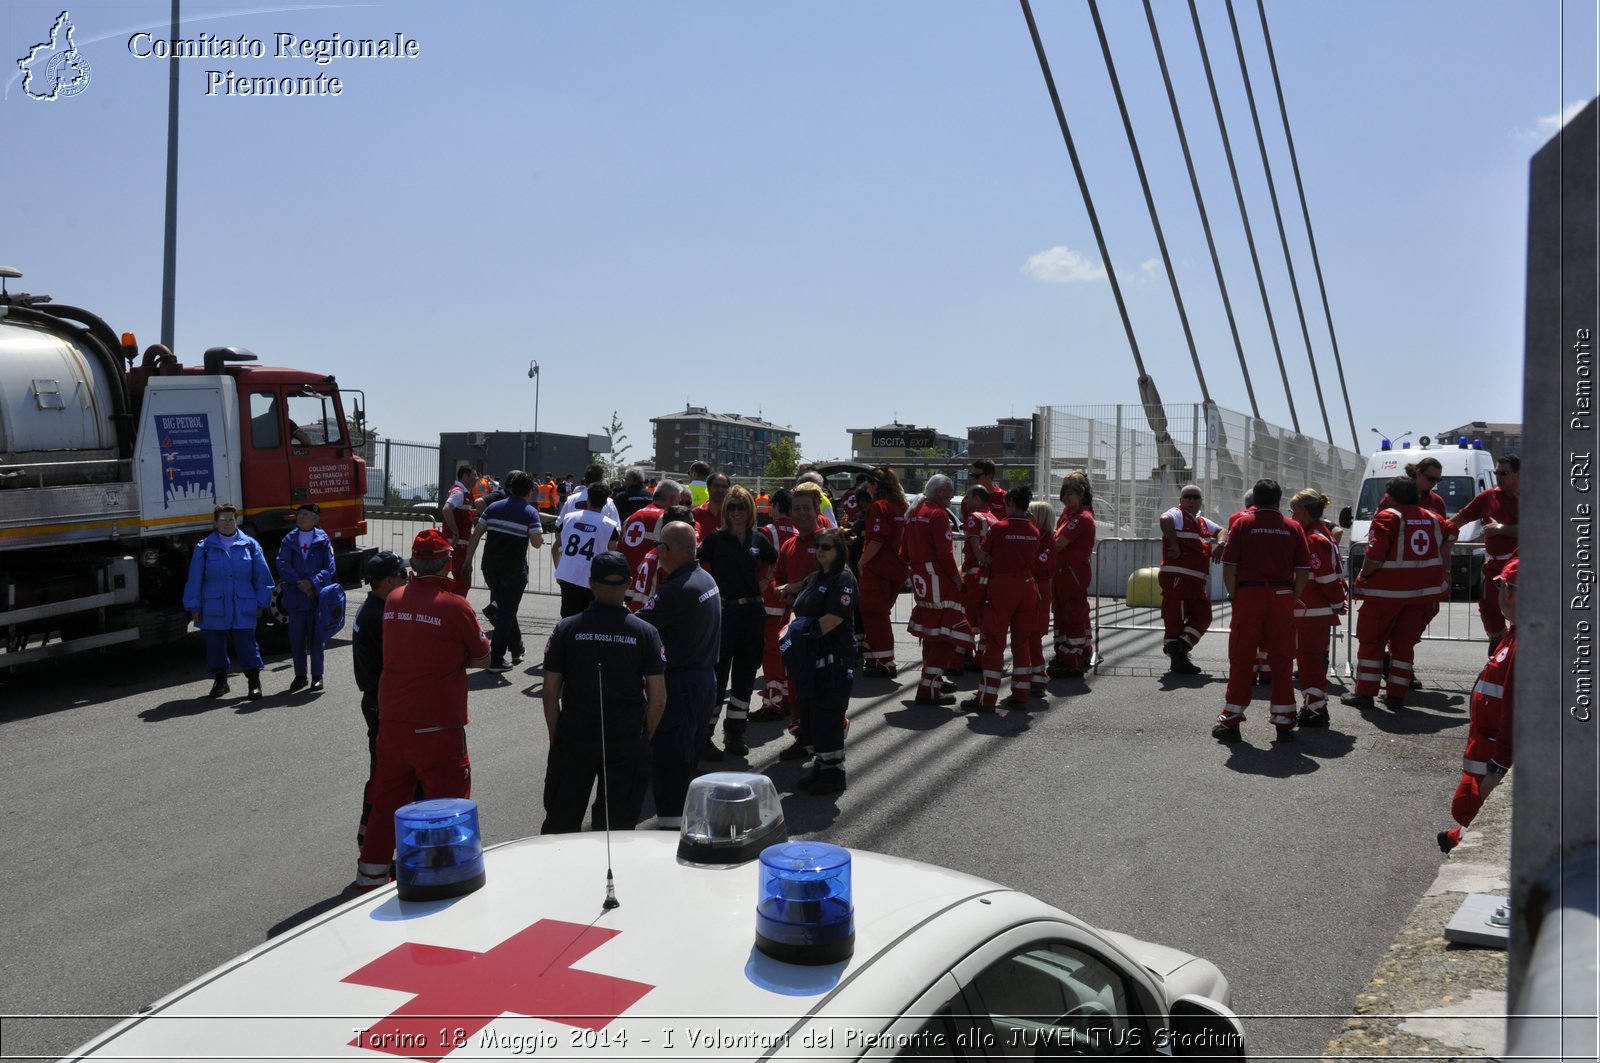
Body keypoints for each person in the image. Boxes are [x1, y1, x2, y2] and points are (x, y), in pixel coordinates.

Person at [355, 528, 491, 891]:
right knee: (447, 806)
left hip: (394, 720)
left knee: (386, 803)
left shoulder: (395, 599)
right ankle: (444, 877)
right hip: (437, 724)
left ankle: (369, 878)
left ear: (413, 563)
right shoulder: (455, 605)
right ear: (447, 563)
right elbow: (482, 657)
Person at [540, 552, 668, 834]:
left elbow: (550, 693)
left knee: (560, 825)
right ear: (629, 583)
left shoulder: (566, 628)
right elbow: (658, 698)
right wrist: (643, 738)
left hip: (575, 737)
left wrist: (557, 739)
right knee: (616, 831)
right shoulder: (646, 632)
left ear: (591, 584)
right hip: (625, 740)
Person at [1341, 476, 1452, 712]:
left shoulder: (1388, 516)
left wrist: (1364, 577)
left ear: (1391, 495)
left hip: (1385, 594)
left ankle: (1365, 694)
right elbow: (1451, 533)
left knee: (1372, 644)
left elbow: (1375, 555)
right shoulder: (1434, 517)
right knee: (1404, 646)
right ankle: (1396, 696)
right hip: (1421, 596)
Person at [636, 522, 721, 829]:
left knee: (671, 762)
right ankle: (685, 821)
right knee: (685, 761)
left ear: (666, 550)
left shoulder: (676, 589)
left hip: (682, 683)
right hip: (703, 679)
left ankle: (672, 830)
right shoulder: (704, 578)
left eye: (660, 545)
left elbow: (638, 626)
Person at [1214, 479, 1310, 743]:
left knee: (1242, 657)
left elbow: (1229, 565)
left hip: (1249, 594)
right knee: (1281, 659)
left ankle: (1231, 719)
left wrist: (1234, 595)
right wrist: (1292, 597)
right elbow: (1303, 570)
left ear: (1255, 500)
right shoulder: (1293, 527)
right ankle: (1284, 721)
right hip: (1281, 595)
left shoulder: (1243, 524)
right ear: (1279, 501)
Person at [1438, 558, 1517, 854]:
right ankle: (1462, 837)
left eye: (1501, 585)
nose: (1498, 591)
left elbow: (1516, 706)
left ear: (1511, 592)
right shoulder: (1516, 633)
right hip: (1487, 752)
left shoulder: (1527, 641)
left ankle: (1465, 843)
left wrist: (1499, 766)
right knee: (1470, 807)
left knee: (1482, 811)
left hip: (1494, 759)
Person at [697, 485, 778, 758]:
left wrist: (766, 580)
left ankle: (735, 733)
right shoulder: (714, 540)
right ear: (725, 511)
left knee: (744, 678)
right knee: (717, 679)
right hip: (724, 615)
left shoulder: (759, 540)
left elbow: (773, 561)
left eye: (741, 507)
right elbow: (700, 567)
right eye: (731, 507)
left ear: (750, 510)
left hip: (753, 614)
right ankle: (704, 736)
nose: (736, 512)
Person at [777, 526, 856, 795]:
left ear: (839, 551)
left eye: (826, 547)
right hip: (811, 659)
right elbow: (797, 610)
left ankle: (834, 774)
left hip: (834, 659)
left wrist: (805, 634)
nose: (820, 551)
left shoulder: (843, 579)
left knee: (828, 717)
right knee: (811, 717)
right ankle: (821, 767)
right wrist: (792, 632)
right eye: (818, 546)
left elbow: (834, 617)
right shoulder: (814, 578)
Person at [182, 503, 275, 700]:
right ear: (215, 523)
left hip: (243, 604)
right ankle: (221, 681)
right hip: (213, 605)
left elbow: (263, 577)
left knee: (247, 645)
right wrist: (194, 606)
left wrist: (262, 603)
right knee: (215, 645)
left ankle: (254, 682)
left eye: (231, 519)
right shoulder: (204, 547)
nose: (227, 523)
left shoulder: (250, 545)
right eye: (222, 520)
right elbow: (195, 579)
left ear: (236, 521)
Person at [965, 486, 1041, 711]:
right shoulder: (1034, 531)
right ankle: (1021, 694)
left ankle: (986, 698)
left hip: (1002, 587)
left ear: (1009, 504)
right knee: (1021, 643)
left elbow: (985, 556)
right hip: (1027, 587)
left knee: (995, 643)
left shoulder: (999, 528)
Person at [352, 550, 408, 846]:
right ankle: (370, 838)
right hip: (381, 702)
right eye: (403, 576)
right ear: (389, 581)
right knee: (385, 774)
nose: (407, 581)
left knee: (383, 771)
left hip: (375, 699)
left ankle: (371, 836)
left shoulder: (372, 607)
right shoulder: (381, 616)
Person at [465, 470, 545, 669]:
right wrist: (540, 536)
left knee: (507, 608)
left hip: (490, 567)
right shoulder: (529, 512)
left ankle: (516, 647)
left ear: (510, 488)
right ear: (529, 491)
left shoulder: (494, 508)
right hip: (513, 570)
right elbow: (536, 543)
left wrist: (467, 562)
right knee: (506, 613)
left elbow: (476, 535)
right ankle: (497, 659)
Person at [904, 475, 970, 705]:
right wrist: (957, 579)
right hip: (939, 581)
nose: (952, 497)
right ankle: (929, 687)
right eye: (951, 492)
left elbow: (904, 550)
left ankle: (931, 680)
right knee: (947, 634)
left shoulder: (914, 512)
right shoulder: (938, 514)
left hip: (922, 582)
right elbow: (945, 554)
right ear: (942, 492)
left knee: (932, 633)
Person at [767, 484, 827, 733]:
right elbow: (775, 577)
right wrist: (778, 589)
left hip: (822, 628)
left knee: (822, 685)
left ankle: (826, 738)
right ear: (790, 513)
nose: (801, 513)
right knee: (794, 682)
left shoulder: (829, 541)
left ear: (816, 511)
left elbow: (831, 576)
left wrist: (796, 586)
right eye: (796, 509)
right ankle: (801, 733)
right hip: (793, 626)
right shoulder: (789, 545)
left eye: (806, 508)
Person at [1289, 489, 1348, 727]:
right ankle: (1315, 706)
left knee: (1309, 663)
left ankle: (1315, 710)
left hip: (1311, 611)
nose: (1292, 515)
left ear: (1303, 511)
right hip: (1314, 611)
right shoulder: (1322, 534)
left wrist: (1336, 602)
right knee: (1312, 661)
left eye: (1293, 510)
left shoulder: (1313, 539)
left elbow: (1325, 578)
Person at [1452, 454, 1520, 651]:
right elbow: (1460, 519)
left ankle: (1516, 652)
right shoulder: (1487, 496)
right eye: (1496, 473)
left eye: (1504, 473)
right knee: (1488, 608)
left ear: (1518, 474)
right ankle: (1498, 642)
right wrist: (1440, 531)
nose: (1499, 477)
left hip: (1521, 567)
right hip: (1494, 566)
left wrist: (1501, 529)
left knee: (1521, 612)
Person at [1159, 483, 1222, 676]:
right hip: (1178, 577)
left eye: (1196, 497)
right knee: (1174, 619)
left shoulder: (1201, 521)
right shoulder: (1178, 514)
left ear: (1201, 501)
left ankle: (1180, 647)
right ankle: (1179, 659)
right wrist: (1175, 544)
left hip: (1196, 580)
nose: (1192, 500)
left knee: (1204, 615)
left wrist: (1221, 543)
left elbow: (1221, 530)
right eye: (1188, 496)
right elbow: (1165, 519)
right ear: (1181, 500)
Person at [275, 502, 337, 694]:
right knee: (297, 639)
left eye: (306, 514)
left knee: (317, 638)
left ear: (316, 519)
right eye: (299, 514)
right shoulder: (289, 539)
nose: (301, 517)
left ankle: (317, 676)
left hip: (316, 599)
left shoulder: (323, 540)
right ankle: (300, 676)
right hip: (296, 598)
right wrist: (301, 584)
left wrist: (312, 583)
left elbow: (330, 568)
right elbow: (282, 564)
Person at [857, 467, 909, 677]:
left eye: (869, 484)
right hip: (897, 569)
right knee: (880, 614)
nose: (867, 488)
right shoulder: (902, 506)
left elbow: (877, 540)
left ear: (876, 485)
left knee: (874, 614)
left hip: (878, 568)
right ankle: (874, 657)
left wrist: (861, 561)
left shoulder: (879, 506)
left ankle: (885, 662)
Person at [754, 487, 798, 719]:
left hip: (770, 600)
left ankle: (773, 700)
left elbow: (758, 566)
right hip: (794, 603)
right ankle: (789, 696)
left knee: (771, 651)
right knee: (790, 650)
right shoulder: (801, 530)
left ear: (777, 507)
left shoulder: (767, 531)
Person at [1049, 475, 1097, 679]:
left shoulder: (1080, 518)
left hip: (1072, 573)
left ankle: (1073, 660)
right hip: (1063, 572)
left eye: (1071, 493)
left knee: (1073, 614)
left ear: (1081, 495)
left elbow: (1059, 542)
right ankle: (1067, 652)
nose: (1066, 497)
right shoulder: (1069, 515)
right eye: (1064, 494)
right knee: (1063, 613)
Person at [552, 482, 622, 618]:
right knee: (591, 619)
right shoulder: (609, 525)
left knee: (568, 619)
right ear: (606, 502)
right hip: (591, 579)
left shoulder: (569, 518)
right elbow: (613, 556)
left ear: (588, 499)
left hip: (568, 575)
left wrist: (558, 570)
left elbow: (555, 548)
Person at [959, 483, 1002, 670]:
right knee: (985, 619)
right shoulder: (994, 518)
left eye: (968, 497)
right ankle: (981, 657)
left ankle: (962, 656)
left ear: (976, 499)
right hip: (988, 576)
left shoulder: (973, 518)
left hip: (973, 574)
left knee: (966, 617)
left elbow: (976, 550)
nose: (965, 501)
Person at [629, 504, 693, 611]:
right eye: (692, 524)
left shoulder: (652, 553)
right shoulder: (668, 558)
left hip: (639, 610)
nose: (694, 529)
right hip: (651, 615)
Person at [1025, 499, 1057, 700]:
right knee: (1027, 633)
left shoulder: (1048, 540)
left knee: (1033, 634)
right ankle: (1029, 674)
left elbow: (1037, 564)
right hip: (1032, 586)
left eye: (1030, 514)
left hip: (1039, 589)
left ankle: (1037, 676)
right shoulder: (1036, 537)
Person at [440, 464, 477, 596]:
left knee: (459, 578)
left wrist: (472, 513)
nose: (477, 478)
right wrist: (455, 532)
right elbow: (446, 509)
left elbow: (458, 512)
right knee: (463, 579)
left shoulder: (462, 492)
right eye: (474, 475)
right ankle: (455, 608)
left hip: (460, 544)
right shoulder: (459, 492)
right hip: (458, 544)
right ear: (465, 476)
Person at [692, 471, 730, 540]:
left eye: (724, 487)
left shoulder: (732, 514)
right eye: (716, 486)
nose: (720, 490)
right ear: (708, 488)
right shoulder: (695, 513)